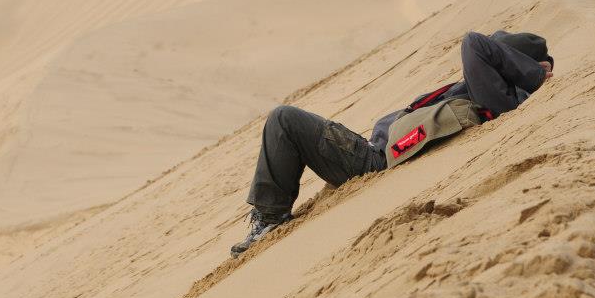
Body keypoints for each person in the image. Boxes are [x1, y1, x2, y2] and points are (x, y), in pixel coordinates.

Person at [230, 30, 555, 257]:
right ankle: (268, 216)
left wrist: (533, 74)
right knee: (286, 120)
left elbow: (475, 42)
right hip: (370, 150)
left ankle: (269, 218)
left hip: (373, 163)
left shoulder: (501, 98)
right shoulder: (474, 90)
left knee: (284, 119)